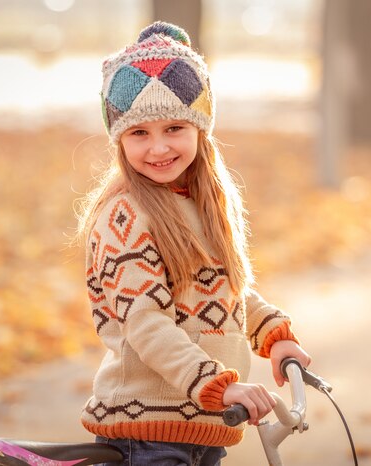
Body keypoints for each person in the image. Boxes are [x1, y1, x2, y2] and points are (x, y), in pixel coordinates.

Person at [75, 21, 311, 465]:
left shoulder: (200, 204)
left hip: (207, 423)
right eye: (139, 133)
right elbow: (146, 323)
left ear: (201, 129)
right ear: (118, 139)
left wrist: (274, 334)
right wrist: (218, 383)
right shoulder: (125, 215)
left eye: (175, 128)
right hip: (147, 433)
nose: (158, 147)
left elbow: (220, 291)